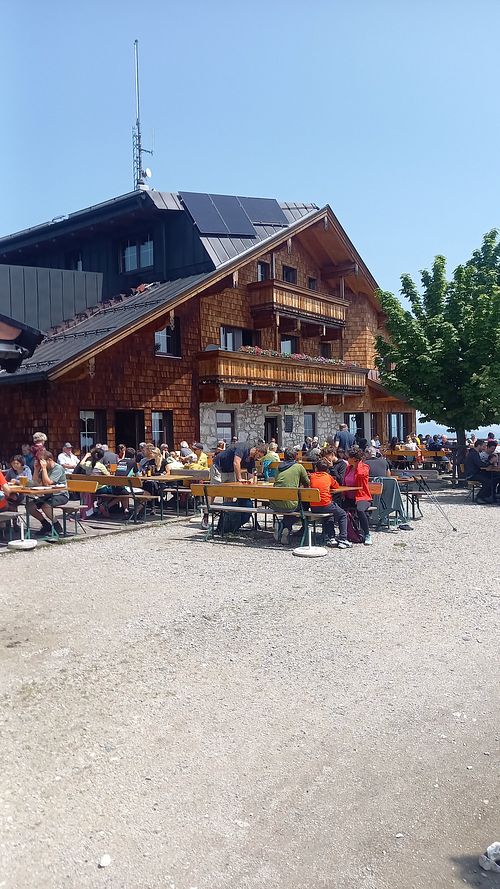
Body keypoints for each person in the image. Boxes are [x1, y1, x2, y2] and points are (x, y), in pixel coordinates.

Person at [202, 442, 267, 530]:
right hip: (219, 468)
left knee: (230, 495)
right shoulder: (242, 448)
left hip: (230, 471)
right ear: (256, 450)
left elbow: (251, 473)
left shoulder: (251, 459)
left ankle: (227, 521)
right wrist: (240, 478)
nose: (258, 459)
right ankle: (206, 516)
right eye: (259, 456)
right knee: (213, 492)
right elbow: (236, 462)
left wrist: (251, 480)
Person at [269, 447, 310, 545]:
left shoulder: (279, 467)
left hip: (274, 503)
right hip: (289, 504)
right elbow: (307, 483)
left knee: (289, 504)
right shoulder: (299, 467)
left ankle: (283, 526)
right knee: (303, 508)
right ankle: (285, 526)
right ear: (295, 457)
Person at [309, 459, 351, 548]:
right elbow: (336, 486)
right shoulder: (328, 476)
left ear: (316, 468)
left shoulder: (312, 476)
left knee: (330, 515)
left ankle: (331, 537)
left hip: (314, 507)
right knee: (343, 514)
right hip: (326, 504)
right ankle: (343, 538)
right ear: (327, 469)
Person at [26, 450, 69, 536]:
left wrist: (44, 468)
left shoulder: (58, 468)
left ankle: (57, 526)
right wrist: (36, 469)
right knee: (29, 506)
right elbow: (35, 482)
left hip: (60, 494)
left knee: (45, 506)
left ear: (49, 460)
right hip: (48, 495)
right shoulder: (43, 469)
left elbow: (48, 483)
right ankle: (46, 525)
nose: (41, 463)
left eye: (42, 461)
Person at [343, 449, 374, 545]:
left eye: (349, 457)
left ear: (354, 459)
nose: (347, 459)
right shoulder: (348, 468)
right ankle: (343, 535)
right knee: (337, 509)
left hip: (362, 497)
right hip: (349, 497)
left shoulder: (364, 467)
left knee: (360, 510)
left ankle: (367, 534)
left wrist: (359, 463)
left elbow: (361, 474)